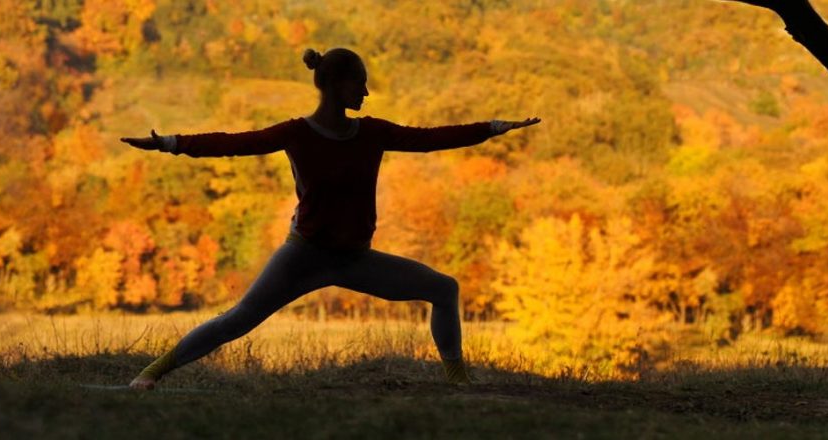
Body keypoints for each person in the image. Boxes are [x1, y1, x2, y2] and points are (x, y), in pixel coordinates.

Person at [119, 47, 540, 390]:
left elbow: (429, 139)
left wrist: (491, 127)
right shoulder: (296, 133)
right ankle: (150, 374)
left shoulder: (372, 132)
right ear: (338, 85)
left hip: (356, 260)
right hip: (303, 256)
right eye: (360, 82)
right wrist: (169, 143)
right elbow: (235, 144)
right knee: (238, 320)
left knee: (444, 289)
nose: (367, 92)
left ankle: (459, 383)